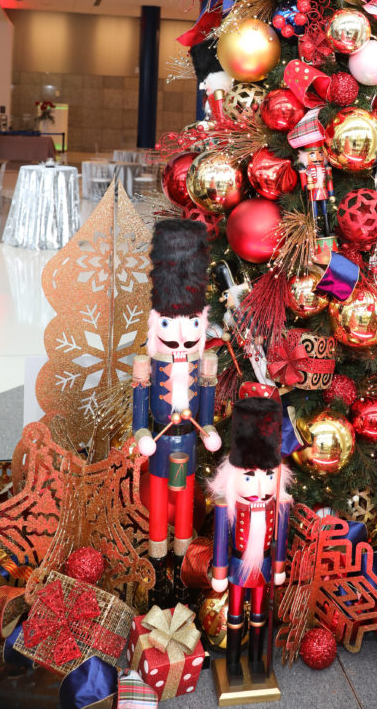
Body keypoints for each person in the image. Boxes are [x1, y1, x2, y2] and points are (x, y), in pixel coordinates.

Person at [133, 219, 221, 606]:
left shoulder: (204, 368)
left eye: (191, 324)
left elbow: (207, 415)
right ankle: (155, 572)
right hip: (160, 445)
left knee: (185, 504)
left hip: (187, 446)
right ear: (157, 323)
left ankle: (183, 572)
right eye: (170, 323)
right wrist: (142, 436)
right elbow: (139, 417)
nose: (181, 335)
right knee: (157, 508)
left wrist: (209, 430)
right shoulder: (149, 366)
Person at [209, 390, 292, 686]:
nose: (260, 486)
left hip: (265, 568)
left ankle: (256, 660)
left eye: (268, 475)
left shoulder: (279, 504)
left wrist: (279, 568)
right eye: (249, 477)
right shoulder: (226, 505)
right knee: (234, 615)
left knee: (259, 614)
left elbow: (281, 537)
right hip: (237, 564)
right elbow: (221, 539)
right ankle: (232, 662)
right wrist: (219, 572)